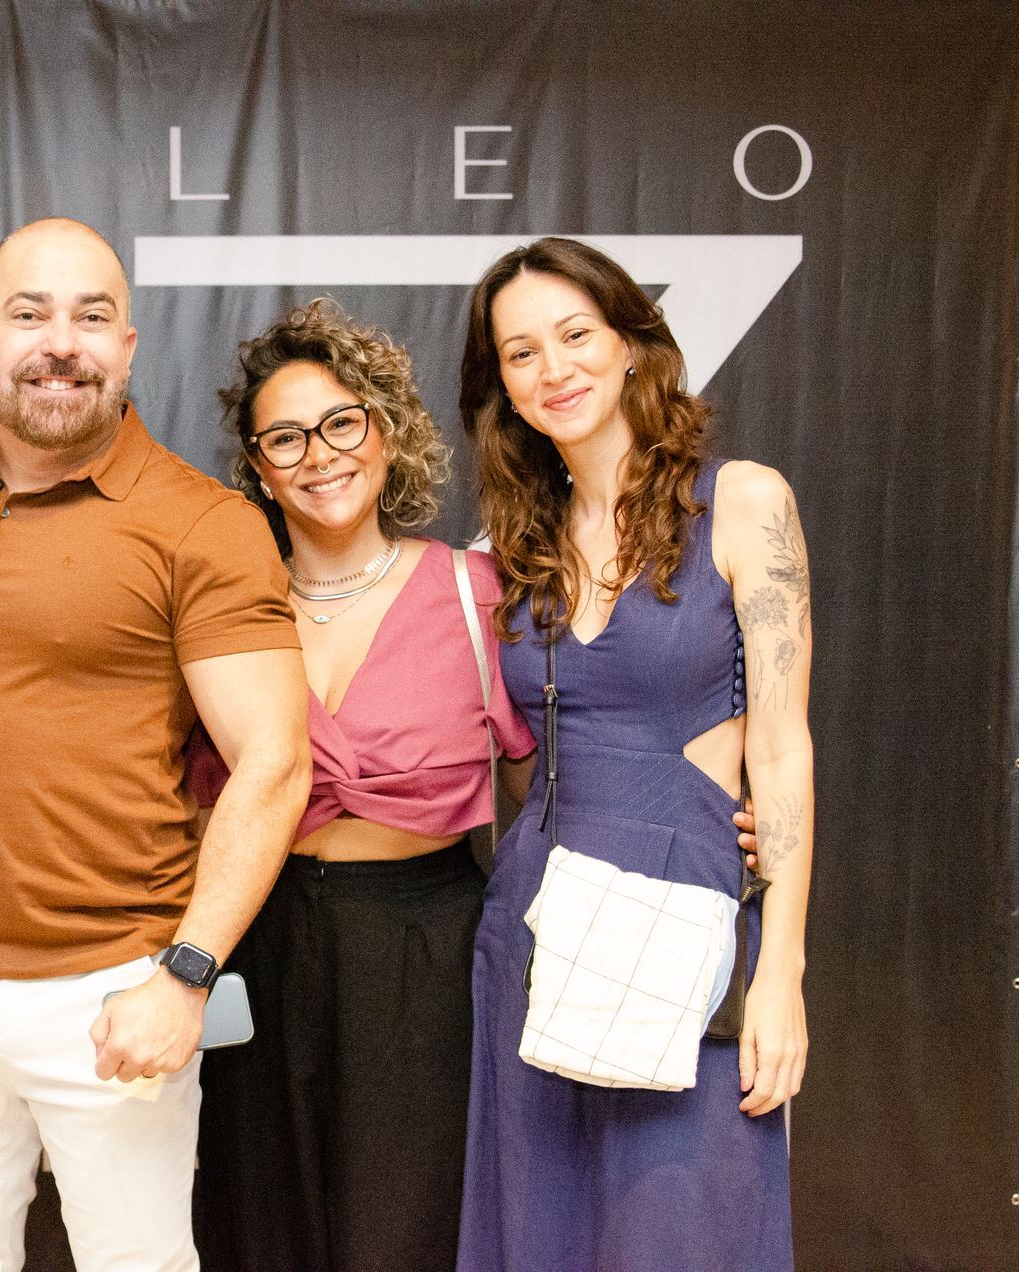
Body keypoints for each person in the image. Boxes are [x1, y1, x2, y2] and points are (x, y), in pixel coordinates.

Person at [0, 217, 312, 1271]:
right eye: (29, 314)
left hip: (118, 994)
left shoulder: (202, 523)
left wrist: (185, 976)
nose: (61, 343)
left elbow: (276, 763)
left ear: (128, 349)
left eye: (92, 317)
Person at [457, 237, 812, 1269]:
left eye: (575, 335)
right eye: (521, 353)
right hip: (536, 926)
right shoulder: (507, 551)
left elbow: (782, 748)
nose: (553, 369)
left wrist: (782, 972)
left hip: (686, 919)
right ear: (502, 385)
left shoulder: (744, 502)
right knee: (543, 1235)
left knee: (681, 1231)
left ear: (629, 344)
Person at [184, 299, 537, 1270]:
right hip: (261, 939)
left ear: (386, 433)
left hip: (428, 949)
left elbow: (551, 782)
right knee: (264, 1226)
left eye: (342, 423)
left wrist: (703, 813)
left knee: (407, 1229)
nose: (319, 455)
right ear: (259, 468)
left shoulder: (475, 594)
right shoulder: (229, 610)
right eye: (286, 438)